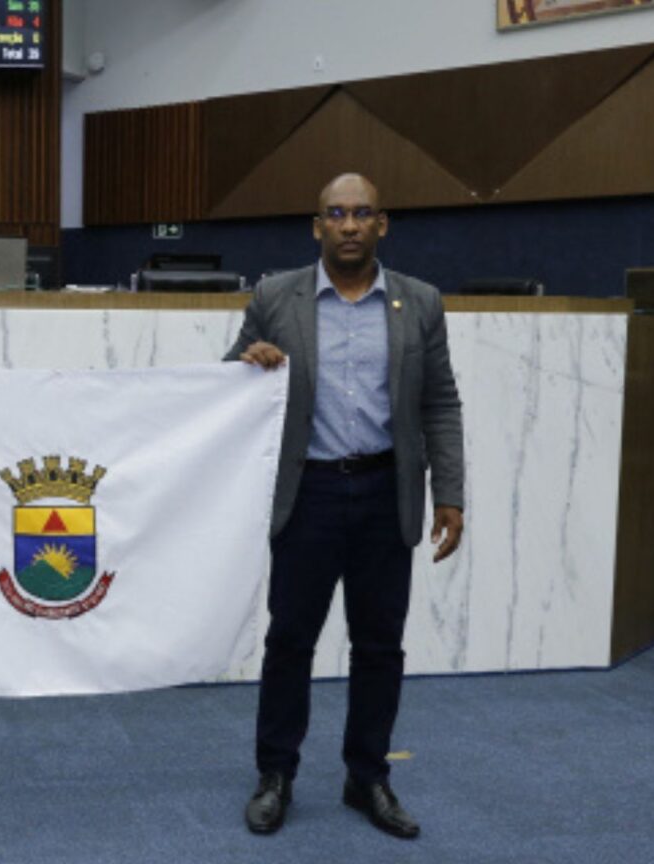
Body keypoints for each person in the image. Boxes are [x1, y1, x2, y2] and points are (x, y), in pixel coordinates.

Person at [224, 173, 464, 841]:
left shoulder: (419, 303)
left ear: (382, 224)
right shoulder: (277, 297)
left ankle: (368, 776)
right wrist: (251, 358)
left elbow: (440, 402)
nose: (350, 225)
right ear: (317, 225)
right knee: (289, 642)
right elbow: (227, 383)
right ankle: (275, 774)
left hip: (389, 492)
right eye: (337, 213)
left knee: (380, 645)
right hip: (310, 495)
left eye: (362, 214)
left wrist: (450, 492)